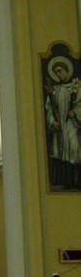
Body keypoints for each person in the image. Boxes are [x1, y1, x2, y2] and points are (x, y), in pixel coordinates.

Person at [44, 56, 81, 189]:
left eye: (60, 71)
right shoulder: (55, 90)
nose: (58, 74)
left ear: (66, 70)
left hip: (72, 124)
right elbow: (49, 109)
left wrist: (75, 112)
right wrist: (52, 121)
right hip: (59, 127)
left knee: (74, 146)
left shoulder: (77, 87)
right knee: (59, 150)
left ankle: (77, 180)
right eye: (56, 73)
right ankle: (65, 181)